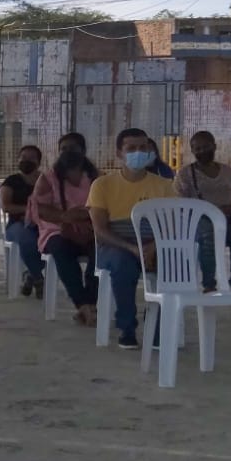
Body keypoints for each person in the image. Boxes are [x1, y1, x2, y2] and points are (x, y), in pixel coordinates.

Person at [88, 128, 178, 349]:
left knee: (173, 266)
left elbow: (172, 226)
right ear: (119, 153)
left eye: (143, 147)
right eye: (131, 148)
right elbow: (100, 229)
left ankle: (158, 329)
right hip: (116, 245)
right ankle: (127, 328)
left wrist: (154, 247)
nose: (139, 152)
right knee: (123, 265)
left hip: (154, 244)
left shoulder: (165, 185)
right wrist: (132, 248)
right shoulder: (102, 185)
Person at [29, 132, 100, 323]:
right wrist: (66, 219)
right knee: (61, 251)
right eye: (63, 149)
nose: (67, 152)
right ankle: (83, 305)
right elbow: (41, 210)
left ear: (83, 150)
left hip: (91, 230)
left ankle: (91, 303)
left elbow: (105, 208)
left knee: (102, 252)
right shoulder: (48, 179)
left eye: (73, 148)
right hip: (56, 230)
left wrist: (85, 221)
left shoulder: (96, 178)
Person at [175, 130, 231, 293]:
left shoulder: (227, 171)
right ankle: (209, 284)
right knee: (207, 235)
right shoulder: (185, 174)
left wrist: (230, 209)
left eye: (206, 147)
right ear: (192, 150)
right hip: (199, 221)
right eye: (198, 148)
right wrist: (207, 211)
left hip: (227, 219)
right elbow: (180, 204)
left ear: (214, 146)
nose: (202, 151)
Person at [0, 144, 45, 298]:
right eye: (23, 157)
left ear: (39, 162)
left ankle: (31, 275)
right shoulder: (12, 181)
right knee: (28, 239)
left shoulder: (46, 181)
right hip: (17, 225)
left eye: (31, 158)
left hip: (43, 224)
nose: (26, 161)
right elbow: (6, 206)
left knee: (53, 242)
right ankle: (38, 277)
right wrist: (29, 210)